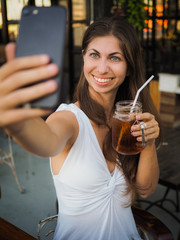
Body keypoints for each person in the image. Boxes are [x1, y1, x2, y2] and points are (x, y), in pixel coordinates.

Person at [0, 17, 161, 240]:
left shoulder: (130, 119)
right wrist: (18, 122)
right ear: (84, 57)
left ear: (130, 67)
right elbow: (47, 141)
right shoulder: (70, 119)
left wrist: (149, 141)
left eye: (115, 58)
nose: (102, 69)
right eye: (94, 55)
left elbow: (145, 189)